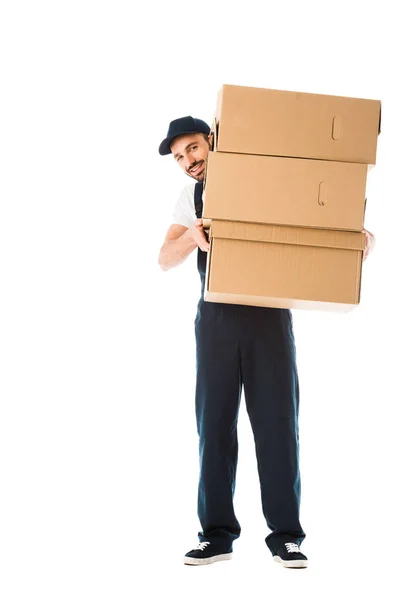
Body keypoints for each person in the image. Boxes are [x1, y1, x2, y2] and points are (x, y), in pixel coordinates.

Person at [157, 116, 375, 569]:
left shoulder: (271, 182)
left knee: (277, 429)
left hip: (269, 321)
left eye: (193, 148)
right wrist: (192, 238)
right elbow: (163, 258)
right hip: (215, 324)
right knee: (213, 430)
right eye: (180, 156)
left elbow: (318, 226)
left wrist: (358, 242)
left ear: (212, 141)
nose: (188, 161)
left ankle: (286, 537)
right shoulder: (190, 198)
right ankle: (216, 536)